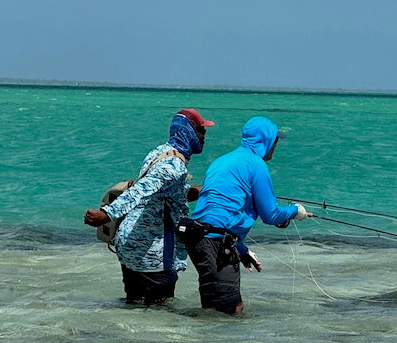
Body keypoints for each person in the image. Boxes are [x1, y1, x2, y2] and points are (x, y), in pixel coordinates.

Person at [84, 108, 214, 305]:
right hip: (152, 253)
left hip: (130, 245)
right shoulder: (174, 166)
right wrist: (106, 214)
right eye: (201, 130)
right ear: (188, 131)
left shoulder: (161, 152)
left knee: (134, 307)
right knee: (159, 315)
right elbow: (140, 190)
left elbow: (158, 191)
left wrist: (197, 190)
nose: (204, 136)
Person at [186, 115, 310, 314]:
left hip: (199, 238)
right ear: (266, 140)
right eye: (275, 140)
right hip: (215, 243)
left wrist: (240, 249)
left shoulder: (222, 161)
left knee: (227, 307)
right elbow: (271, 215)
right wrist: (296, 211)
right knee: (225, 313)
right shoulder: (256, 165)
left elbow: (217, 214)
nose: (276, 145)